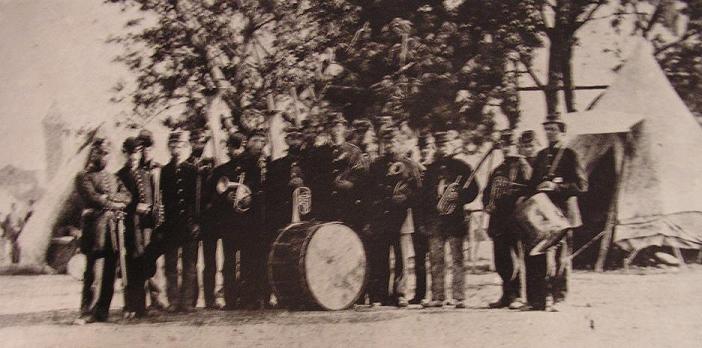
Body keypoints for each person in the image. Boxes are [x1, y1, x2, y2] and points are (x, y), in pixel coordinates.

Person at [523, 112, 587, 312]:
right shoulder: (541, 156)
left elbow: (582, 185)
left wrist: (557, 187)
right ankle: (538, 300)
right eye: (547, 129)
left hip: (563, 215)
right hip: (543, 215)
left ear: (562, 132)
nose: (549, 133)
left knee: (561, 257)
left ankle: (559, 298)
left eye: (553, 129)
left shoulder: (570, 155)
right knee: (538, 255)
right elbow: (532, 185)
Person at [74, 138, 131, 324]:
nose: (103, 156)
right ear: (93, 153)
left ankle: (102, 311)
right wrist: (114, 203)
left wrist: (110, 199)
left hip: (113, 231)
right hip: (94, 231)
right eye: (99, 152)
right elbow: (92, 198)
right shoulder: (83, 176)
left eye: (106, 153)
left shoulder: (114, 177)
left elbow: (128, 197)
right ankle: (87, 312)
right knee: (92, 273)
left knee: (110, 273)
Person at [421, 130, 479, 309]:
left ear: (451, 145)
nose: (442, 148)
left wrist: (459, 195)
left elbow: (474, 190)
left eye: (445, 144)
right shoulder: (430, 169)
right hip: (435, 221)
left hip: (455, 220)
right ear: (435, 147)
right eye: (439, 145)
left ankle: (459, 297)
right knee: (436, 259)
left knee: (457, 259)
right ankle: (438, 296)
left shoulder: (462, 167)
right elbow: (423, 196)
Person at [366, 126, 421, 307]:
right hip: (381, 216)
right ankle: (379, 295)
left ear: (400, 143)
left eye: (394, 141)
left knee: (401, 258)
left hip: (402, 216)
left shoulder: (411, 165)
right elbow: (370, 190)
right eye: (387, 141)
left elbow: (418, 189)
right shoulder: (376, 165)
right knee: (380, 257)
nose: (390, 144)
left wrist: (406, 197)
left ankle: (400, 293)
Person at [482, 131, 531, 309]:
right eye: (504, 145)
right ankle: (506, 294)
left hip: (516, 219)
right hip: (498, 220)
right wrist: (487, 204)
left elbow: (528, 189)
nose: (507, 148)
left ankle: (518, 295)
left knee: (518, 259)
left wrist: (513, 196)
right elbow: (487, 192)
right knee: (501, 260)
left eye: (510, 145)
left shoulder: (523, 166)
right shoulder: (498, 169)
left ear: (516, 146)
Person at [204, 132, 247, 310]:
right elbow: (213, 196)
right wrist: (225, 197)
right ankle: (230, 299)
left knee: (245, 261)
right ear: (228, 148)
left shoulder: (250, 168)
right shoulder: (220, 170)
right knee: (229, 261)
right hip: (229, 223)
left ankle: (245, 298)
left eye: (240, 147)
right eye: (233, 147)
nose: (236, 151)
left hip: (246, 222)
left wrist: (245, 197)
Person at [228, 129, 269, 309]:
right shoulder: (240, 161)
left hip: (263, 215)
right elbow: (235, 184)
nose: (258, 144)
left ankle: (263, 297)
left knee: (262, 257)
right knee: (246, 258)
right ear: (248, 142)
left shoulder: (266, 161)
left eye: (261, 141)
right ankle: (246, 297)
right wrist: (240, 195)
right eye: (255, 140)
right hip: (245, 217)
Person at [160, 130, 201, 313]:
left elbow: (197, 200)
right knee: (170, 264)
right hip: (171, 224)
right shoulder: (164, 171)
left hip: (188, 223)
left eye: (180, 145)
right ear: (169, 147)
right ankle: (173, 300)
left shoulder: (192, 170)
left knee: (189, 264)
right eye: (173, 145)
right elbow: (161, 200)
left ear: (185, 147)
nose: (176, 148)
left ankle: (187, 302)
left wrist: (196, 222)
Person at [116, 137, 153, 319]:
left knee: (143, 264)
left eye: (137, 152)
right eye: (130, 152)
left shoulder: (146, 175)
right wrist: (134, 208)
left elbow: (151, 199)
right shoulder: (119, 176)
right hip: (129, 226)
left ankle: (142, 306)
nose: (134, 157)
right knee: (129, 265)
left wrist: (150, 212)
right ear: (125, 153)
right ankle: (130, 305)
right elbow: (119, 201)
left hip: (145, 227)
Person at [136, 129, 168, 311]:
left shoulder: (159, 169)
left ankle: (157, 298)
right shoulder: (135, 170)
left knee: (156, 261)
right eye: (142, 147)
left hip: (156, 221)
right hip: (139, 222)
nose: (145, 150)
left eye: (148, 146)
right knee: (141, 259)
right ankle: (142, 298)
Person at [187, 129, 217, 309]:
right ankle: (191, 299)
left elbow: (216, 190)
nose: (199, 145)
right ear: (191, 143)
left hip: (209, 220)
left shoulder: (211, 164)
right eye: (196, 141)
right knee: (191, 261)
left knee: (210, 260)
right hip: (192, 219)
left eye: (202, 142)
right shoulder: (185, 165)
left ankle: (210, 299)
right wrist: (191, 219)